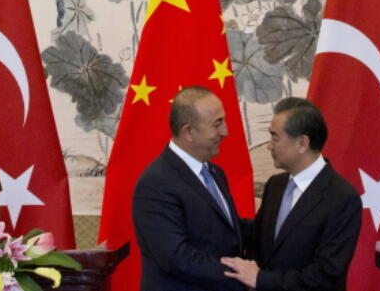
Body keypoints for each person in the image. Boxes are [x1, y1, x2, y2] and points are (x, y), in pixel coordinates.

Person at [221, 97, 362, 291]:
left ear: (302, 143)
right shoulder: (275, 186)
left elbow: (326, 276)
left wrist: (262, 280)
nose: (269, 145)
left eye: (275, 137)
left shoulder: (342, 198)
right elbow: (259, 238)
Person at [132, 86, 248, 291]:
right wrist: (243, 279)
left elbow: (222, 230)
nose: (226, 131)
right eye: (217, 124)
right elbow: (177, 257)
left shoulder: (215, 172)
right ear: (189, 132)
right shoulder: (156, 183)